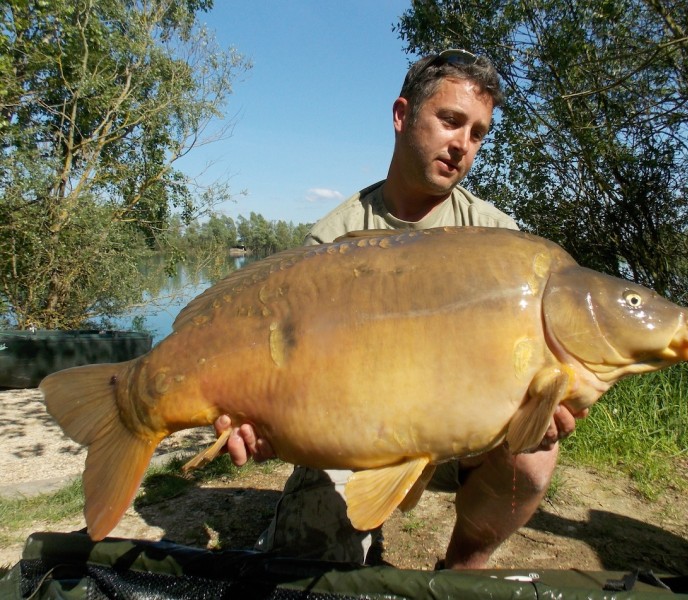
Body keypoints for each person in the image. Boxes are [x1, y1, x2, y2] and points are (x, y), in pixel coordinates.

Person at [214, 49, 588, 569]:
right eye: (450, 121)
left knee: (534, 459)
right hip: (356, 429)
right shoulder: (332, 238)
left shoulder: (498, 240)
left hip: (464, 427)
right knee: (310, 561)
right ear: (401, 115)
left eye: (477, 133)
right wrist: (263, 419)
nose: (462, 145)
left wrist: (539, 409)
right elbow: (293, 376)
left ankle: (464, 566)